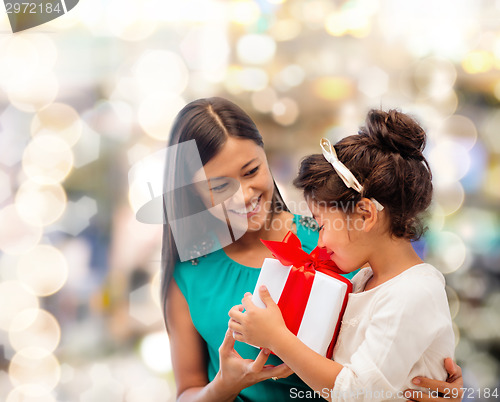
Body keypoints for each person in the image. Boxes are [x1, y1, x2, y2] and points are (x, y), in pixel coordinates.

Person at [162, 98, 463, 401]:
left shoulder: (344, 242)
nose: (243, 196)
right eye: (219, 187)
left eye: (251, 171)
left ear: (265, 156)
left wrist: (436, 380)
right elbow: (188, 390)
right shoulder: (191, 272)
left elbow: (397, 345)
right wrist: (225, 385)